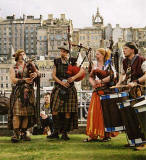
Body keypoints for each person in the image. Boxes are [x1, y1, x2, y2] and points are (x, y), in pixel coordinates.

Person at [47, 45, 85, 140]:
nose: (62, 53)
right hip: (59, 87)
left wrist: (73, 78)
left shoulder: (73, 61)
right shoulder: (57, 61)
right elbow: (53, 75)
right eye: (61, 51)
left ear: (68, 53)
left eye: (64, 52)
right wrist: (61, 83)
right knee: (55, 109)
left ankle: (64, 133)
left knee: (68, 111)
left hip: (70, 88)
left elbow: (81, 71)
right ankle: (56, 132)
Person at [116, 42, 146, 150]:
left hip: (140, 92)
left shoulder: (141, 60)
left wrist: (136, 81)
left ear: (132, 50)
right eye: (123, 49)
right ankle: (135, 140)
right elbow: (123, 74)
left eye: (126, 48)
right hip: (129, 92)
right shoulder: (125, 61)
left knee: (141, 117)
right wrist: (119, 83)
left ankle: (144, 142)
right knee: (131, 117)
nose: (123, 50)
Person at [84, 48, 118, 142]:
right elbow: (91, 77)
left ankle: (105, 135)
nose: (96, 55)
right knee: (93, 113)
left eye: (98, 54)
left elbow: (113, 76)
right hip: (97, 91)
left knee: (105, 113)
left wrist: (102, 81)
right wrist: (93, 84)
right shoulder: (94, 65)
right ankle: (92, 135)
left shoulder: (109, 64)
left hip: (106, 91)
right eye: (96, 54)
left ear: (103, 55)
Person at [9, 49, 40, 143]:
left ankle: (23, 133)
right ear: (17, 56)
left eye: (24, 54)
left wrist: (36, 74)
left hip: (29, 92)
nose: (23, 55)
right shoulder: (13, 67)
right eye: (21, 54)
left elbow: (38, 73)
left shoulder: (30, 65)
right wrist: (24, 80)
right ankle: (16, 134)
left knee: (26, 114)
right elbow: (13, 79)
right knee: (16, 114)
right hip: (18, 92)